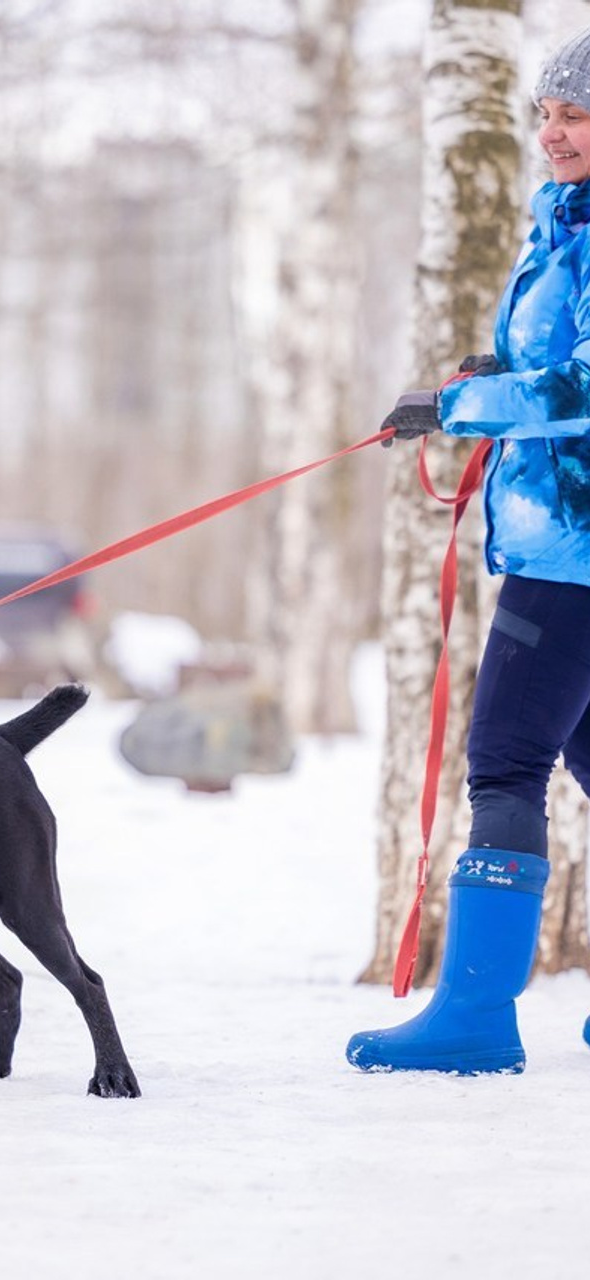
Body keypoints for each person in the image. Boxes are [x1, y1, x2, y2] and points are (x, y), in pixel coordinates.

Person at [347, 27, 590, 1074]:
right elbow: (555, 361)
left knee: (502, 759)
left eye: (573, 113)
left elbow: (579, 391)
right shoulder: (565, 224)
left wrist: (459, 402)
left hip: (570, 547)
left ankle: (476, 1019)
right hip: (559, 533)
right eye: (544, 111)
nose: (551, 131)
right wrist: (488, 371)